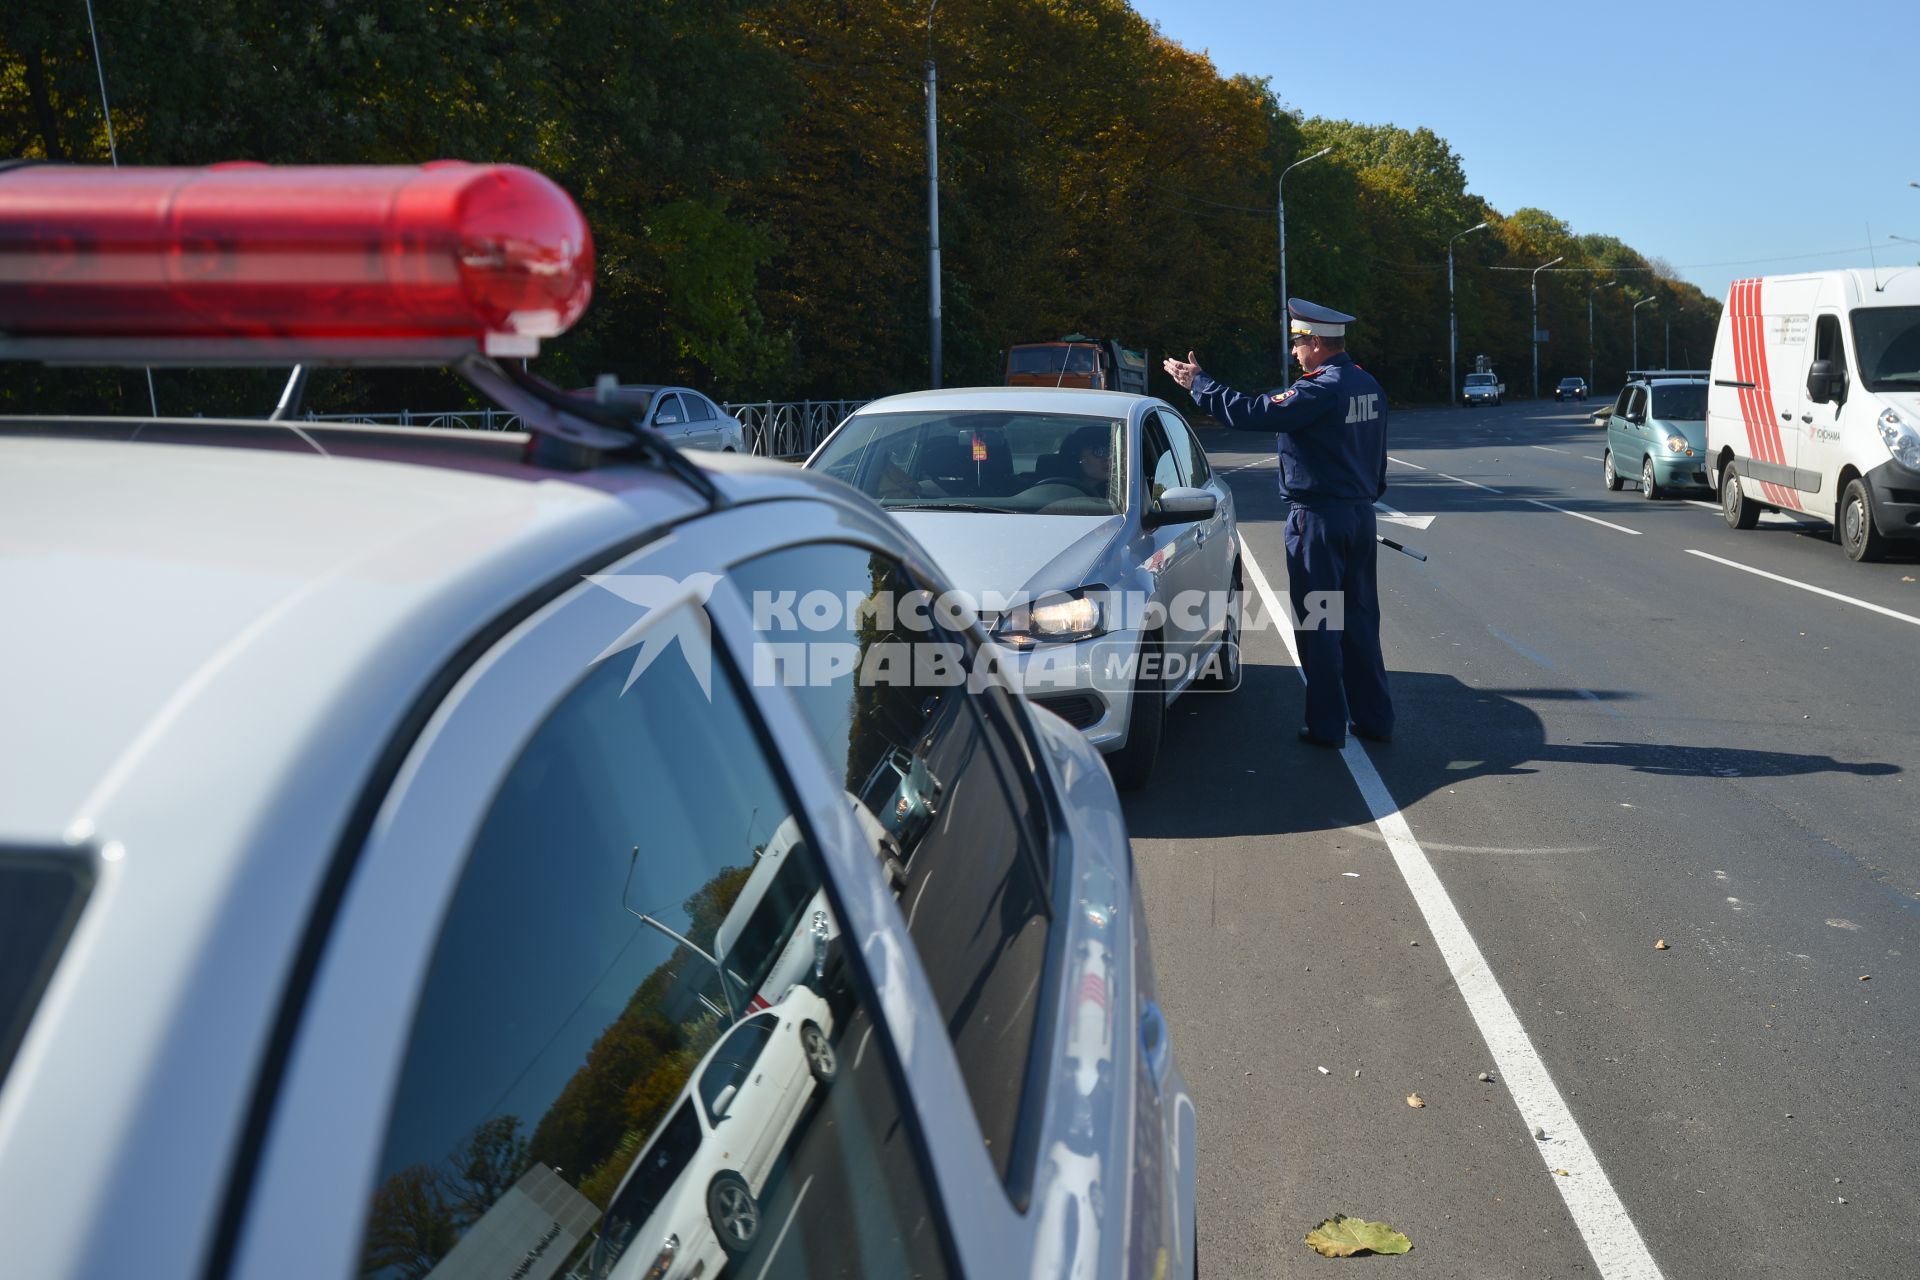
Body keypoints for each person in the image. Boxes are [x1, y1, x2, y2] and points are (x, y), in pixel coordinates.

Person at [1163, 298, 1393, 748]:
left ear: (1315, 343)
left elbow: (1253, 412)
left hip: (1319, 522)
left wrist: (1199, 383)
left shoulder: (1318, 390)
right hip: (1360, 517)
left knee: (1321, 624)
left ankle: (1327, 726)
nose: (1293, 352)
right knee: (1361, 621)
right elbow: (1377, 459)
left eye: (1297, 342)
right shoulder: (1369, 386)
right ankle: (1375, 719)